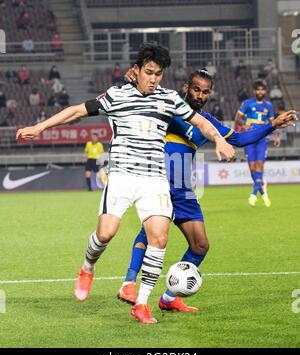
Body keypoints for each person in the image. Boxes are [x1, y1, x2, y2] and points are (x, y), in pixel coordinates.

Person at [16, 43, 235, 324]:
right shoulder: (117, 95)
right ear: (137, 70)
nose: (154, 79)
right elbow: (76, 111)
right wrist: (39, 128)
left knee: (159, 237)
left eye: (158, 74)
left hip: (154, 180)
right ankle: (87, 267)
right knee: (106, 234)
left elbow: (200, 123)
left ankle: (141, 304)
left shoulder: (169, 99)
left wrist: (218, 139)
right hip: (121, 176)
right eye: (149, 72)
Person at [117, 69, 297, 310]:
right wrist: (131, 79)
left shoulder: (208, 123)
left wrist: (272, 124)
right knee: (151, 234)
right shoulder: (168, 104)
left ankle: (169, 298)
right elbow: (140, 96)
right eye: (196, 89)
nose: (200, 95)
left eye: (205, 92)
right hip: (157, 181)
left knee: (200, 246)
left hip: (183, 190)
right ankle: (129, 282)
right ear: (186, 88)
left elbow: (241, 139)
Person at [235, 79, 281, 207]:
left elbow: (273, 123)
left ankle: (253, 195)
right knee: (252, 169)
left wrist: (276, 136)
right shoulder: (247, 103)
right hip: (249, 139)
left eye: (262, 89)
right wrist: (244, 125)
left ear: (265, 91)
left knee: (259, 167)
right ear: (255, 91)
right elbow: (237, 118)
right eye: (258, 89)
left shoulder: (268, 106)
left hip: (262, 140)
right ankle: (264, 193)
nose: (260, 92)